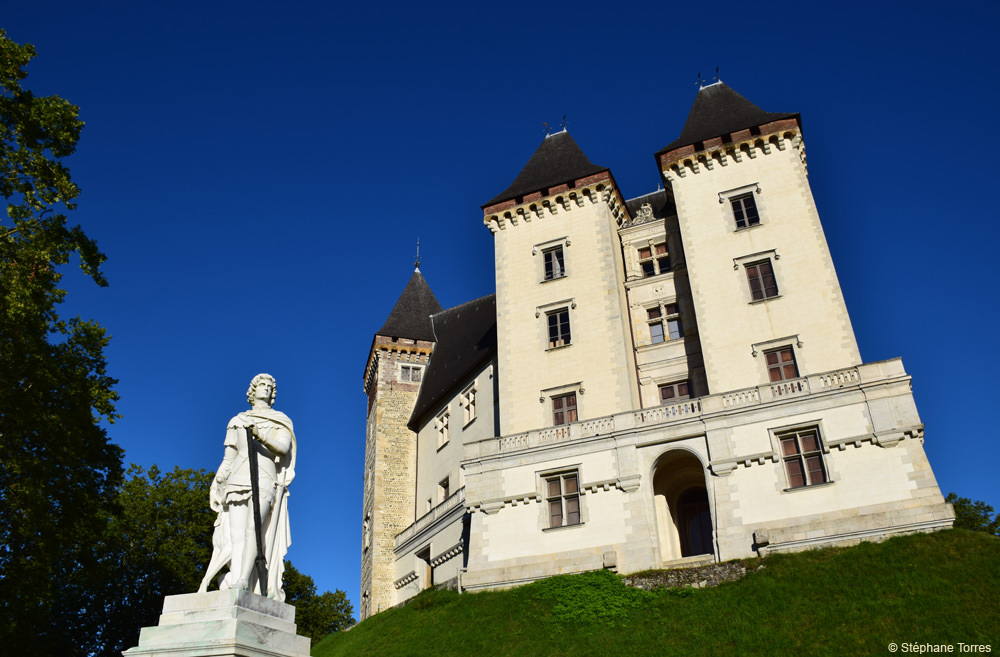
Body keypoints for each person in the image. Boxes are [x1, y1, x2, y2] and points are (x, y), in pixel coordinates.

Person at [200, 373, 295, 601]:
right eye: (261, 385)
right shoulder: (237, 420)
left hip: (264, 477)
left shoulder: (280, 420)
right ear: (252, 391)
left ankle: (242, 579)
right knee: (236, 536)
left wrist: (260, 435)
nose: (266, 389)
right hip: (237, 477)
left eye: (270, 386)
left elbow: (282, 448)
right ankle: (235, 577)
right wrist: (216, 485)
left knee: (255, 529)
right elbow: (229, 458)